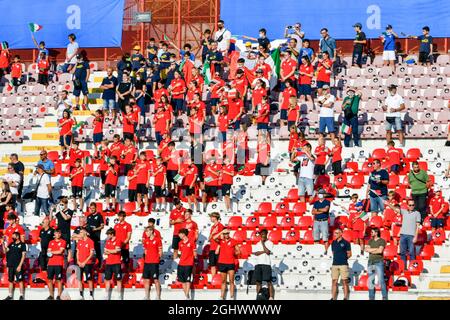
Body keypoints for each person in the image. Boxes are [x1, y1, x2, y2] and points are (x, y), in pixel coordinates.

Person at [385, 199, 421, 268]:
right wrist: (388, 204)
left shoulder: (417, 213)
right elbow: (395, 209)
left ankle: (412, 267)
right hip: (403, 235)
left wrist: (416, 236)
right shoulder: (404, 212)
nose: (411, 206)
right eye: (410, 205)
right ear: (407, 205)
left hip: (411, 236)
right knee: (402, 253)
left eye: (413, 205)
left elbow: (417, 226)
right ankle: (403, 268)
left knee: (411, 253)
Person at [214, 229, 240, 300]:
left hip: (231, 263)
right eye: (225, 234)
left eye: (227, 233)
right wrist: (221, 232)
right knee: (223, 281)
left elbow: (238, 251)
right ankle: (222, 297)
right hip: (222, 263)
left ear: (229, 233)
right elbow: (214, 238)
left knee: (231, 281)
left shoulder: (233, 241)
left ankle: (232, 297)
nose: (226, 235)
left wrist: (234, 253)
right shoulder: (221, 241)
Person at [365, 228, 388, 300]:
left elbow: (380, 251)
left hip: (379, 262)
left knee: (381, 280)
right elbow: (366, 249)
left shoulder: (382, 241)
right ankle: (371, 297)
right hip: (370, 262)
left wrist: (371, 250)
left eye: (372, 232)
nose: (371, 233)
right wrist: (376, 249)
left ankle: (384, 297)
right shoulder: (370, 241)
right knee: (370, 280)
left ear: (376, 233)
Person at [2, 231, 26, 300]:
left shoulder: (22, 245)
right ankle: (10, 296)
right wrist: (3, 243)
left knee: (20, 280)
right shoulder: (11, 244)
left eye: (14, 236)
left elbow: (23, 256)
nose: (12, 237)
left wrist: (20, 266)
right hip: (10, 265)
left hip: (18, 266)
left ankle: (21, 296)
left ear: (17, 236)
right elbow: (5, 251)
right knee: (10, 280)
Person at [330, 228, 351, 300]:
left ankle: (345, 297)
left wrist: (343, 259)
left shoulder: (346, 243)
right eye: (334, 233)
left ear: (341, 233)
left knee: (345, 281)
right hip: (334, 264)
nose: (334, 234)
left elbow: (349, 254)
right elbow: (333, 253)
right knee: (334, 281)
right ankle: (333, 297)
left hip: (343, 264)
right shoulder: (333, 242)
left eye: (336, 233)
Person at [142, 226, 163, 300]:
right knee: (146, 280)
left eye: (147, 231)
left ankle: (158, 296)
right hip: (147, 262)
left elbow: (160, 251)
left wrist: (157, 258)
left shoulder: (157, 240)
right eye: (145, 232)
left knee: (156, 280)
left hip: (154, 262)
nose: (146, 233)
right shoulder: (146, 240)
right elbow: (145, 251)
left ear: (151, 231)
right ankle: (147, 296)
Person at [253, 229, 274, 300]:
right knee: (258, 281)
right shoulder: (257, 244)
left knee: (268, 281)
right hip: (258, 264)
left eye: (264, 234)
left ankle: (271, 297)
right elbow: (256, 253)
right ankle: (258, 295)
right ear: (260, 235)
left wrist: (262, 244)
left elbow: (268, 252)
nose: (263, 235)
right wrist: (263, 251)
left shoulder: (270, 243)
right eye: (261, 234)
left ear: (266, 234)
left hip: (266, 264)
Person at [103, 228, 123, 300]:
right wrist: (111, 251)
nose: (107, 236)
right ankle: (106, 296)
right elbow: (105, 252)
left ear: (112, 234)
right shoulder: (108, 241)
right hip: (108, 263)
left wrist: (109, 251)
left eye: (108, 235)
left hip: (116, 262)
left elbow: (117, 251)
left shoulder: (118, 240)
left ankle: (119, 296)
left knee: (118, 279)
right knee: (107, 279)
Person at [76, 227, 95, 300]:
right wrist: (78, 261)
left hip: (87, 263)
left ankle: (91, 295)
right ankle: (81, 295)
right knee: (79, 279)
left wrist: (85, 262)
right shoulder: (80, 241)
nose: (79, 234)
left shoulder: (90, 241)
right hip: (79, 263)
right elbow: (77, 252)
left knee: (89, 279)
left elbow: (91, 253)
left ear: (85, 233)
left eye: (81, 232)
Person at [177, 229, 196, 300]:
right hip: (181, 264)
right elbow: (179, 253)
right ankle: (187, 297)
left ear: (183, 234)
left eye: (180, 234)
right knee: (182, 281)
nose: (179, 235)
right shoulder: (180, 243)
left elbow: (194, 253)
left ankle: (187, 296)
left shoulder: (191, 242)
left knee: (187, 280)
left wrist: (194, 260)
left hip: (188, 264)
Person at [46, 229, 66, 300]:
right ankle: (51, 295)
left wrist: (52, 252)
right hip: (50, 263)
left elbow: (60, 251)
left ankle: (59, 295)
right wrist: (52, 252)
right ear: (54, 234)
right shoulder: (51, 242)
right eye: (56, 233)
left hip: (58, 263)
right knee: (49, 280)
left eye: (59, 233)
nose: (58, 234)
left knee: (58, 280)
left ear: (60, 234)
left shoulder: (63, 242)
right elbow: (48, 253)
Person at [312, 189, 331, 254]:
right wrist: (320, 211)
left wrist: (317, 210)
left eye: (321, 193)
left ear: (324, 195)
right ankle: (316, 251)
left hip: (324, 221)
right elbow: (312, 212)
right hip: (316, 221)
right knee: (316, 237)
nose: (319, 194)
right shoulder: (316, 203)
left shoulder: (327, 202)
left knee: (325, 237)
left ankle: (326, 251)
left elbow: (326, 210)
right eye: (319, 193)